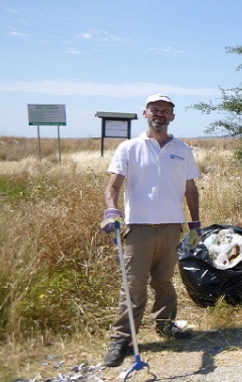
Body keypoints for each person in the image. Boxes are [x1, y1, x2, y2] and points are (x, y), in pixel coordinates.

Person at [99, 93, 203, 367]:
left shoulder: (182, 150)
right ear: (145, 114)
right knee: (133, 288)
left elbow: (191, 189)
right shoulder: (129, 148)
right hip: (138, 229)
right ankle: (121, 339)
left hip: (171, 228)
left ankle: (166, 325)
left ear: (172, 117)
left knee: (165, 282)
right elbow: (112, 186)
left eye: (165, 110)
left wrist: (195, 224)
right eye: (154, 109)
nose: (159, 113)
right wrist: (111, 210)